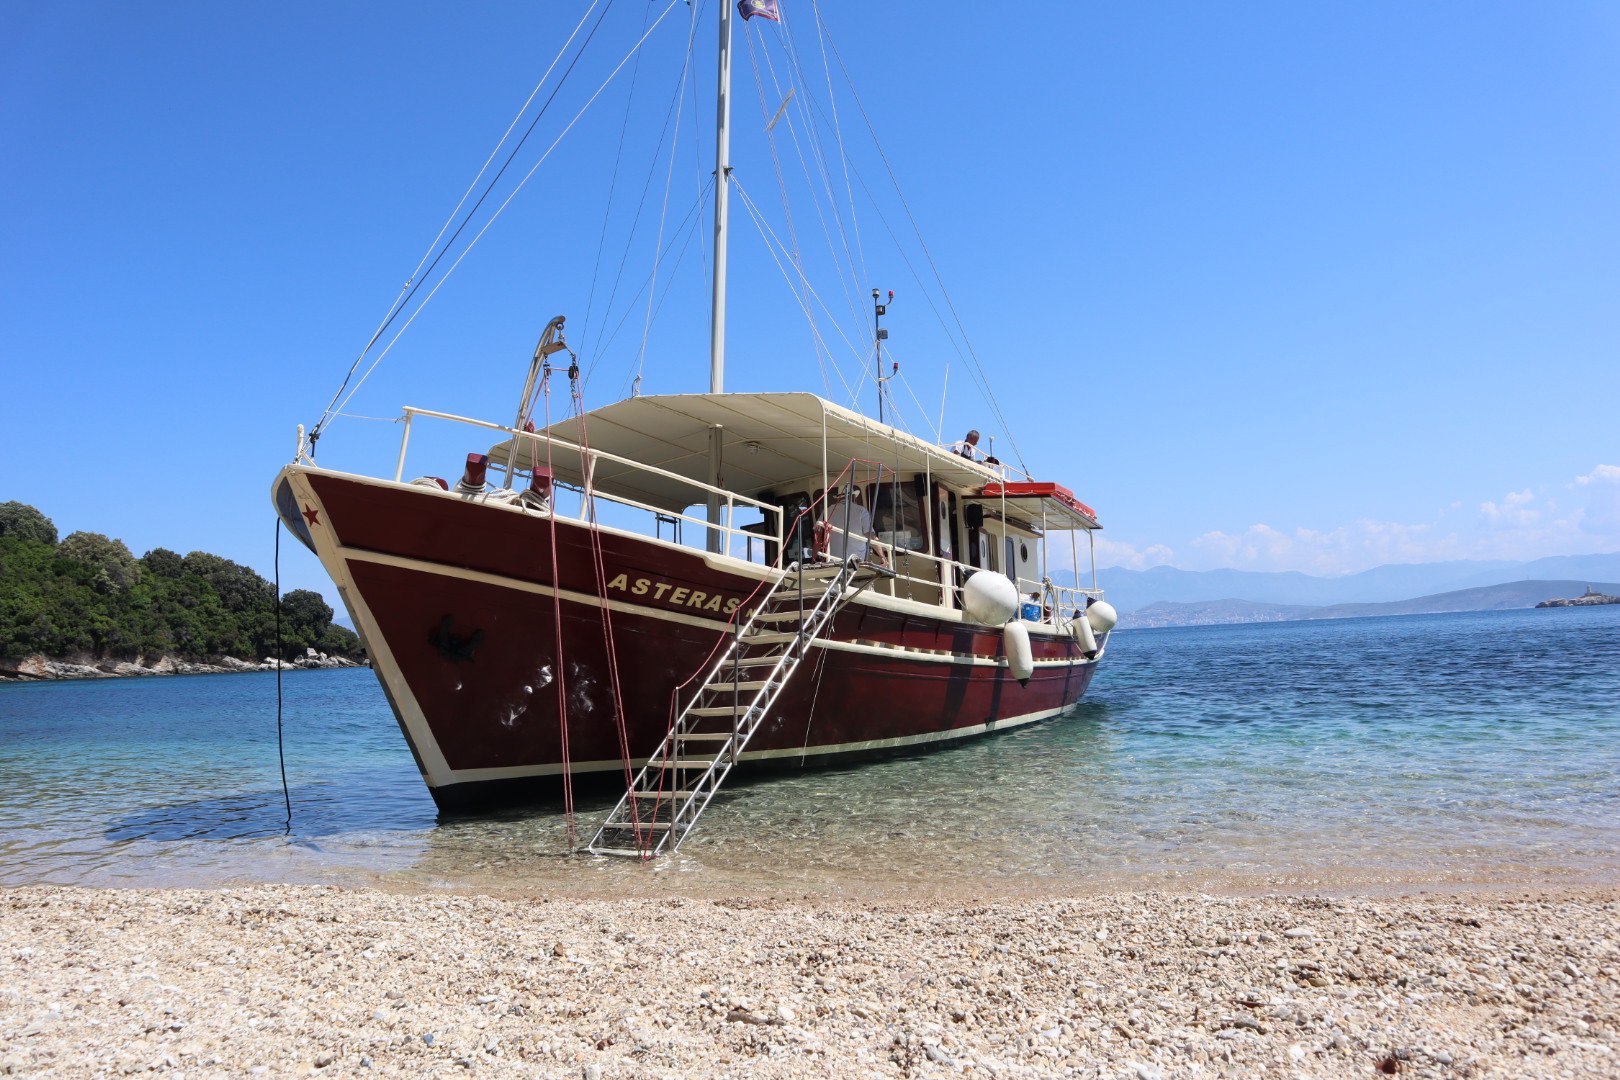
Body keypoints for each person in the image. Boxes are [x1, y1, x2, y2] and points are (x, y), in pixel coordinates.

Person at [824, 486, 886, 565]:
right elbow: (871, 536)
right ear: (853, 497)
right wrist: (882, 556)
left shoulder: (827, 511)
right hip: (855, 563)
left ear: (838, 498)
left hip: (833, 562)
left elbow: (818, 532)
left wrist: (814, 557)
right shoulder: (861, 511)